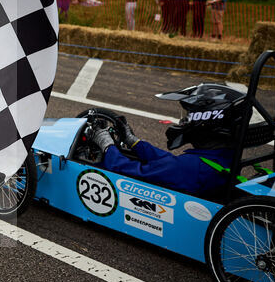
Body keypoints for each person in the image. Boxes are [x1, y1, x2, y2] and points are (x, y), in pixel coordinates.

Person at [87, 84, 242, 197]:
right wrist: (135, 143)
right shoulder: (223, 155)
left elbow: (127, 170)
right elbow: (169, 162)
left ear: (206, 121)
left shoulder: (191, 168)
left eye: (188, 116)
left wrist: (108, 146)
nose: (183, 121)